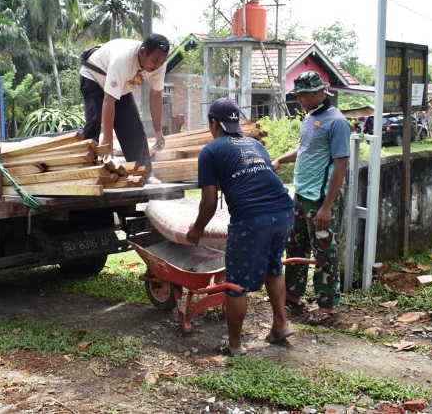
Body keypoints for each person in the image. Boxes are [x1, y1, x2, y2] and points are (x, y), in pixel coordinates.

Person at [186, 98, 295, 356]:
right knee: (273, 266)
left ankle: (234, 344)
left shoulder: (211, 150)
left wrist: (197, 229)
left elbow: (209, 201)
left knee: (236, 283)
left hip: (251, 218)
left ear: (213, 124)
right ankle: (280, 325)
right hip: (283, 211)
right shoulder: (256, 144)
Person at [271, 71, 351, 325]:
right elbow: (305, 147)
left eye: (304, 94)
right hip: (302, 193)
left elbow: (341, 165)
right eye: (298, 94)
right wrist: (282, 159)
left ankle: (327, 304)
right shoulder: (310, 118)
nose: (300, 98)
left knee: (325, 250)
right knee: (295, 244)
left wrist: (327, 207)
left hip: (320, 198)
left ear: (320, 92)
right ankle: (293, 293)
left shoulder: (336, 122)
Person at [79, 34, 170, 184]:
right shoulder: (122, 60)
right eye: (155, 61)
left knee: (132, 126)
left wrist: (158, 130)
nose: (157, 66)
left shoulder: (160, 64)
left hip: (121, 85)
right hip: (94, 76)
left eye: (162, 61)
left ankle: (145, 173)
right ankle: (86, 172)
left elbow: (156, 95)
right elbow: (108, 101)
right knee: (94, 122)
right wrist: (107, 141)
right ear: (142, 52)